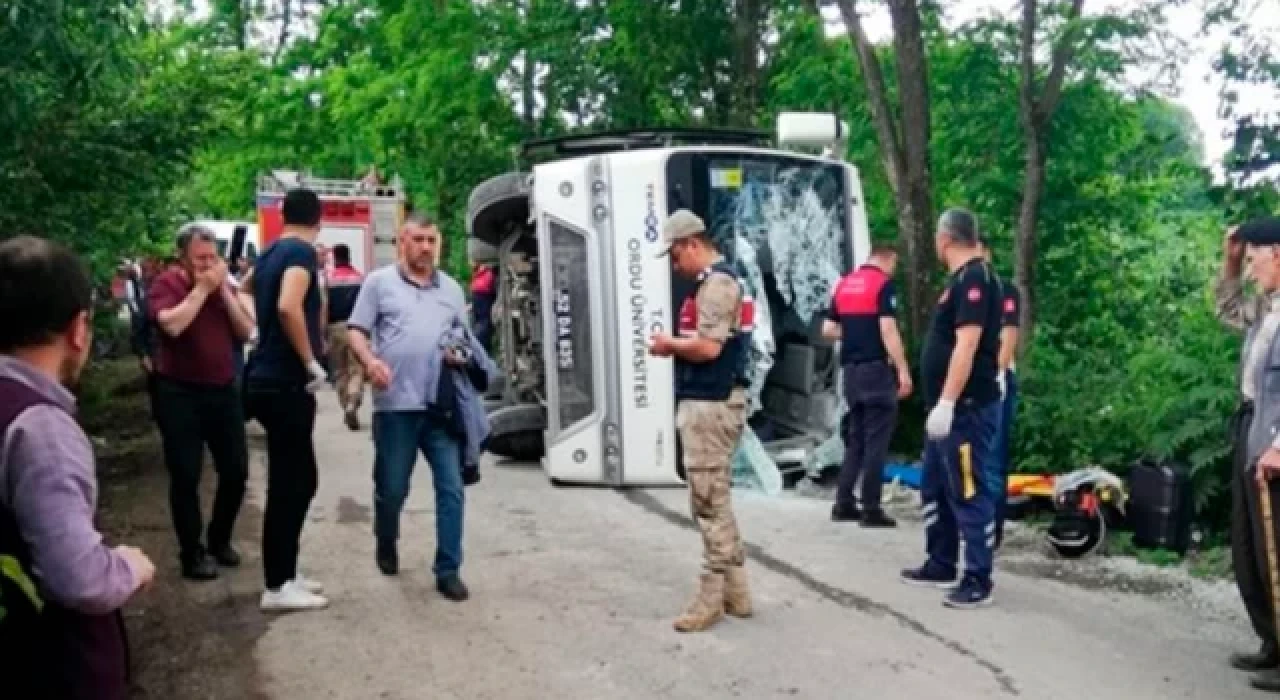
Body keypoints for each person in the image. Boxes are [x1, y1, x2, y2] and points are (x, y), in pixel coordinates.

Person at [0, 235, 156, 700]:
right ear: (79, 329)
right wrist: (127, 566)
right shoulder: (39, 429)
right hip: (48, 667)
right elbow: (77, 577)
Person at [347, 212, 495, 601]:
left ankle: (448, 569)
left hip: (441, 408)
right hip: (395, 407)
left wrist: (459, 355)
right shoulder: (379, 284)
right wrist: (369, 362)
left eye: (432, 240)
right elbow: (356, 331)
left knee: (452, 488)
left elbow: (462, 338)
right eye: (418, 240)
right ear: (402, 242)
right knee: (393, 488)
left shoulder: (451, 290)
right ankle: (386, 537)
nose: (426, 247)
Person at [648, 209, 753, 633]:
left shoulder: (717, 285)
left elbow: (709, 348)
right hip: (711, 400)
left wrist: (667, 344)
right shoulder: (715, 282)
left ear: (692, 244)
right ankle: (737, 591)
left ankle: (711, 596)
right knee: (718, 498)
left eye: (676, 256)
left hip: (711, 403)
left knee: (707, 501)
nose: (676, 266)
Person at [900, 208, 1003, 610]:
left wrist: (947, 401)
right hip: (946, 410)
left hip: (966, 407)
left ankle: (978, 577)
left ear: (944, 239)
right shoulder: (959, 281)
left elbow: (967, 344)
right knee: (936, 486)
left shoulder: (976, 279)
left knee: (967, 488)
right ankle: (940, 561)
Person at [148, 224, 255, 581]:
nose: (208, 265)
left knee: (236, 471)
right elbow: (172, 326)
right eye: (200, 259)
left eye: (213, 258)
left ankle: (219, 538)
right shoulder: (167, 285)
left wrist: (222, 291)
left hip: (222, 389)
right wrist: (201, 290)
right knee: (186, 474)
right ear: (182, 259)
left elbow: (245, 330)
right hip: (179, 391)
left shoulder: (222, 286)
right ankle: (191, 552)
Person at [242, 188, 330, 612]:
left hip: (263, 376)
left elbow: (244, 288)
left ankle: (287, 573)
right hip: (285, 382)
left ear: (282, 214)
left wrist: (256, 334)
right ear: (319, 217)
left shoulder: (270, 252)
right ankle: (277, 585)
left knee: (297, 479)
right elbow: (288, 307)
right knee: (291, 483)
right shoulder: (300, 254)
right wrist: (310, 361)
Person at [1216, 216, 1280, 694]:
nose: (1253, 266)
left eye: (1256, 256)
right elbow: (1227, 310)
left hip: (1275, 439)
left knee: (1276, 547)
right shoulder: (1268, 304)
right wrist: (1231, 262)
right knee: (1248, 544)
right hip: (1251, 427)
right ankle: (1271, 639)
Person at [822, 244, 913, 527]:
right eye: (894, 263)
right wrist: (903, 370)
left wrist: (855, 331)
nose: (894, 269)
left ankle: (843, 502)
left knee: (856, 438)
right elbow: (888, 328)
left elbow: (827, 330)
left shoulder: (845, 285)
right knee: (877, 441)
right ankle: (871, 508)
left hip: (850, 372)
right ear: (886, 259)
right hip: (876, 370)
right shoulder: (883, 285)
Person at [978, 237, 1021, 550]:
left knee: (992, 459)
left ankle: (992, 530)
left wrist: (999, 374)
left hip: (995, 380)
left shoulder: (1004, 290)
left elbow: (1008, 336)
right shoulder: (960, 288)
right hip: (966, 383)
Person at [326, 243, 366, 430]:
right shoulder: (360, 278)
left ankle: (346, 406)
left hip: (335, 328)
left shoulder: (328, 279)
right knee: (356, 369)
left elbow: (323, 307)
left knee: (340, 371)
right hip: (357, 328)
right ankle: (353, 400)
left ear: (335, 258)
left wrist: (321, 333)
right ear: (349, 257)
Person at [470, 261, 497, 354]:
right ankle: (481, 349)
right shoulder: (485, 270)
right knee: (483, 323)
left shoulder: (485, 270)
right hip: (482, 293)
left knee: (482, 323)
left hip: (481, 292)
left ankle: (479, 349)